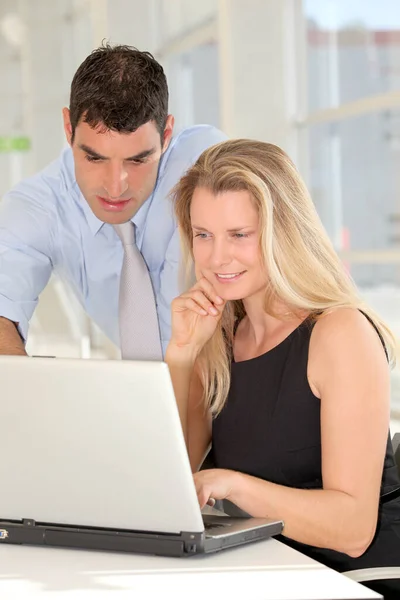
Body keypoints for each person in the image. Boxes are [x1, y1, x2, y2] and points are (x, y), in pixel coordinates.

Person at [165, 139, 400, 598]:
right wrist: (180, 354)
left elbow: (352, 529)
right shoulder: (220, 333)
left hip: (355, 575)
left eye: (239, 235)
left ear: (282, 232)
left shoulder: (340, 333)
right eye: (203, 234)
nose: (215, 259)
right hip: (268, 562)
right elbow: (175, 471)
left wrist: (234, 485)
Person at [0, 44, 226, 357]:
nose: (115, 187)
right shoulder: (41, 206)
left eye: (138, 160)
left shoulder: (205, 163)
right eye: (94, 157)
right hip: (148, 395)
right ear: (69, 129)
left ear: (166, 134)